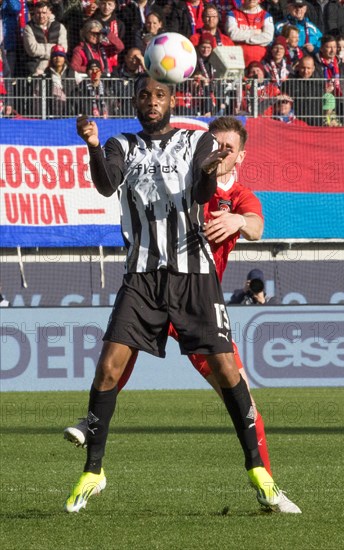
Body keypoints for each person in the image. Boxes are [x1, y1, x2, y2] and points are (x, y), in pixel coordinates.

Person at [64, 76, 287, 514]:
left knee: (229, 374)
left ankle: (261, 474)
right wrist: (92, 144)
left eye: (160, 95)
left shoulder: (198, 147)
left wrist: (227, 202)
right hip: (143, 275)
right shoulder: (120, 146)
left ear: (172, 101)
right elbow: (107, 185)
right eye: (144, 94)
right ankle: (93, 468)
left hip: (193, 281)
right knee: (110, 364)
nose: (151, 102)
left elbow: (222, 202)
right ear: (135, 101)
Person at [23, 0, 68, 76]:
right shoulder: (28, 27)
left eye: (44, 13)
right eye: (38, 13)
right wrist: (54, 48)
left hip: (57, 67)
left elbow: (63, 49)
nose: (41, 16)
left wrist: (44, 51)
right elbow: (33, 49)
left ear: (50, 12)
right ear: (34, 12)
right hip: (35, 67)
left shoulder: (60, 26)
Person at [225, 0, 274, 66]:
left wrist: (246, 40)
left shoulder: (266, 15)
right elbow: (233, 35)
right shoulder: (232, 13)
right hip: (236, 61)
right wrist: (255, 32)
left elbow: (268, 37)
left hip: (259, 63)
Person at [282, 55, 324, 125]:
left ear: (313, 68)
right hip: (297, 124)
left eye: (308, 68)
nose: (305, 71)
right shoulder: (290, 83)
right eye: (303, 68)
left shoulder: (319, 83)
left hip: (316, 124)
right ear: (298, 67)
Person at [43, 44, 76, 117]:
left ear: (64, 58)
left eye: (61, 56)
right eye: (55, 56)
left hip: (70, 110)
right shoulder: (46, 74)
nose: (58, 58)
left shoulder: (72, 72)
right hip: (52, 109)